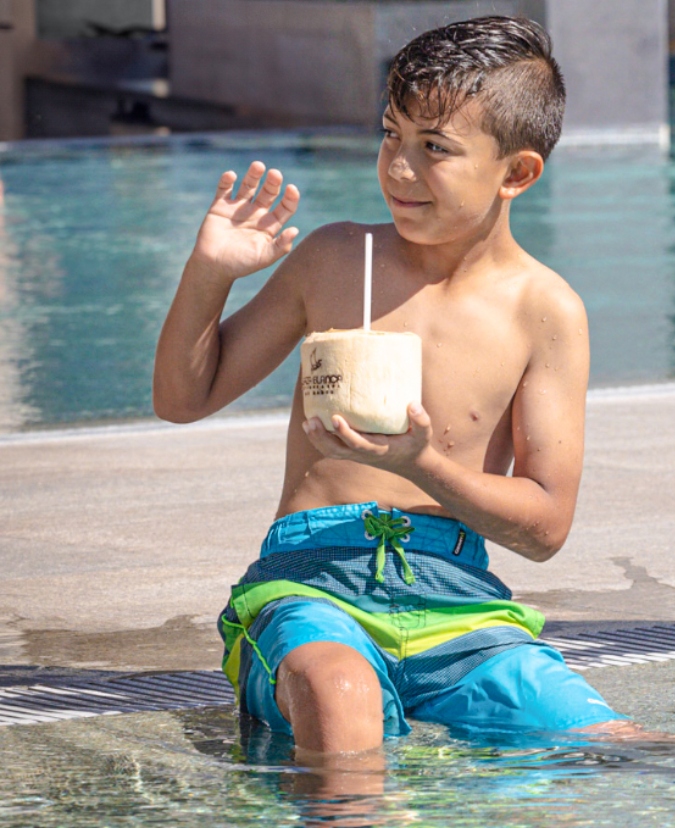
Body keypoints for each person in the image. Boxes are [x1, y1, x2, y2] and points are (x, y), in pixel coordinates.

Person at [153, 16, 627, 755]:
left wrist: (422, 463)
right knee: (340, 697)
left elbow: (545, 528)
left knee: (605, 739)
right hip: (310, 580)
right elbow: (184, 398)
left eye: (434, 149)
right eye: (390, 134)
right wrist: (208, 274)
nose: (399, 168)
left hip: (458, 599)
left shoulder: (545, 310)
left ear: (517, 173)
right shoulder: (334, 260)